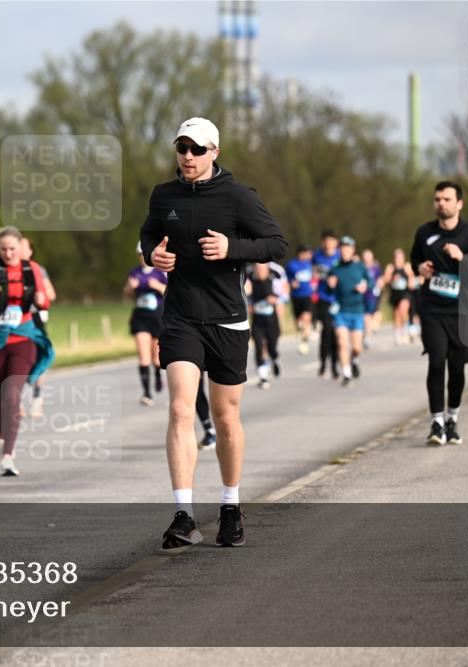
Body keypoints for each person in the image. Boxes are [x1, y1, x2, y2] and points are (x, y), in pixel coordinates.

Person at [140, 116, 286, 551]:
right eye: (182, 148)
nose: (187, 156)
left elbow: (276, 244)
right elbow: (148, 236)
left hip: (227, 319)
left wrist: (232, 248)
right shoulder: (163, 195)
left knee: (225, 417)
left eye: (196, 149)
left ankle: (229, 505)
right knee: (182, 411)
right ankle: (183, 515)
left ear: (214, 153)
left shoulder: (239, 197)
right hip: (181, 317)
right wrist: (154, 256)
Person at [0, 226, 54, 476]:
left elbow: (44, 301)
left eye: (12, 249)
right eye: (3, 249)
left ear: (20, 247)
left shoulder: (32, 269)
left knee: (12, 396)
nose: (8, 253)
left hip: (23, 339)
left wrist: (40, 299)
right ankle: (3, 437)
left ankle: (8, 455)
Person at [409, 181, 468, 445]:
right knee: (436, 361)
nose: (441, 204)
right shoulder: (424, 233)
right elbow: (414, 262)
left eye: (446, 199)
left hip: (462, 311)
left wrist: (461, 258)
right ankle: (436, 423)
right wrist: (419, 269)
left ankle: (452, 418)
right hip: (432, 309)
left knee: (457, 367)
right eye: (437, 199)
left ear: (459, 203)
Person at [125, 242, 168, 405]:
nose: (143, 257)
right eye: (140, 254)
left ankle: (157, 373)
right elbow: (127, 293)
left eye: (146, 254)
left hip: (158, 318)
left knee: (156, 357)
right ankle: (147, 393)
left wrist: (156, 286)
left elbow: (169, 291)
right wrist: (130, 287)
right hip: (140, 317)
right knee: (143, 356)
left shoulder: (160, 271)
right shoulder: (135, 272)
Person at [20, 236, 57, 418]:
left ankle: (37, 399)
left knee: (40, 356)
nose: (18, 251)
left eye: (22, 247)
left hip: (35, 318)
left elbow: (51, 294)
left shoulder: (38, 270)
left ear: (30, 251)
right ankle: (17, 400)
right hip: (15, 319)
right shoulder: (6, 269)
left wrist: (38, 295)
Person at [328, 237, 369, 387]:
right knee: (342, 343)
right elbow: (327, 289)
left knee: (357, 347)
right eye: (342, 248)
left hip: (357, 311)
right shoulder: (335, 267)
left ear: (353, 250)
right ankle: (346, 373)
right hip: (341, 311)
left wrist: (364, 286)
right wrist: (330, 284)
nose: (344, 250)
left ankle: (354, 360)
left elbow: (369, 282)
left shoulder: (360, 267)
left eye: (347, 247)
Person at [247, 262, 281, 389]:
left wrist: (275, 299)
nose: (260, 272)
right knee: (259, 347)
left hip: (272, 320)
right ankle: (263, 377)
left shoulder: (275, 277)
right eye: (257, 269)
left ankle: (275, 359)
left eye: (262, 269)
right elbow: (246, 296)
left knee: (272, 348)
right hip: (257, 321)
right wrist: (249, 305)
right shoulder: (250, 278)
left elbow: (281, 295)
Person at [313, 230, 341, 378]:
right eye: (325, 240)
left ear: (336, 242)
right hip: (323, 298)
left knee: (336, 333)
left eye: (331, 240)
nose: (328, 243)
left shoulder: (340, 256)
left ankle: (335, 365)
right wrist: (314, 277)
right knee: (326, 331)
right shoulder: (317, 256)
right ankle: (323, 363)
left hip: (338, 300)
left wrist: (337, 280)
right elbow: (311, 272)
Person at [286, 244, 316, 355]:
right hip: (295, 296)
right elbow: (286, 278)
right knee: (298, 322)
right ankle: (303, 331)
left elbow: (314, 275)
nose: (309, 255)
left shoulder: (310, 264)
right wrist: (291, 283)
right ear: (301, 253)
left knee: (306, 317)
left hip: (307, 295)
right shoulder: (291, 265)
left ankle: (304, 342)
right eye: (307, 252)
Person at [384, 248, 416, 345]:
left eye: (400, 257)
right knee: (397, 314)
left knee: (403, 309)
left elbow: (411, 278)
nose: (398, 260)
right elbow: (386, 280)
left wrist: (411, 282)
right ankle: (398, 334)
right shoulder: (390, 267)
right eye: (396, 258)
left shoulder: (407, 266)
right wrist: (393, 278)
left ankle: (406, 333)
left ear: (403, 258)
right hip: (395, 294)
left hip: (405, 293)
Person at [361, 248, 383, 345]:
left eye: (368, 256)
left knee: (374, 313)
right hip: (362, 295)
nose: (367, 258)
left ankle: (371, 329)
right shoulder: (361, 268)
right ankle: (368, 335)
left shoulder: (376, 268)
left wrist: (379, 285)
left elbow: (380, 279)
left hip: (373, 295)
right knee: (366, 315)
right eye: (365, 256)